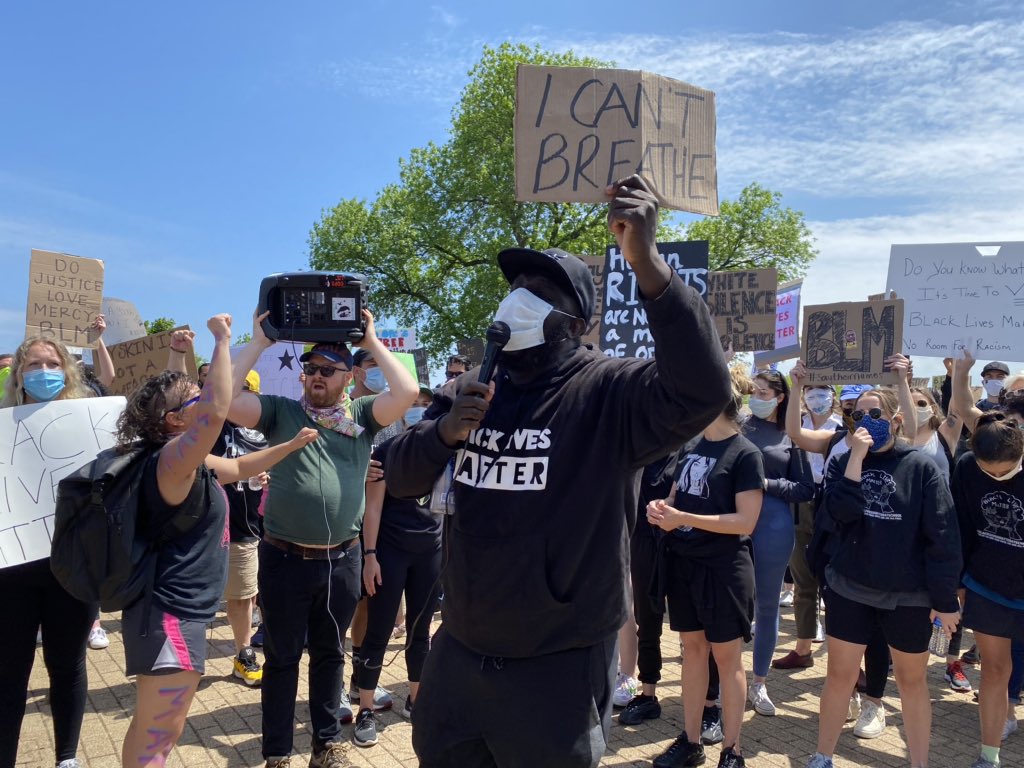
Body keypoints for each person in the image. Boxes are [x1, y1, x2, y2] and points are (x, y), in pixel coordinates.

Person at [385, 175, 732, 768]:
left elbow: (701, 389)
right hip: (461, 657)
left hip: (557, 668)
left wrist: (646, 263)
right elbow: (400, 477)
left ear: (573, 321)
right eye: (516, 284)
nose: (519, 295)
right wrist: (444, 432)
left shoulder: (607, 389)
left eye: (540, 289)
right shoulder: (473, 389)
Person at [115, 315, 319, 767]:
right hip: (169, 612)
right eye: (193, 398)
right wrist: (227, 342)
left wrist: (291, 446)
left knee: (161, 725)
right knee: (159, 728)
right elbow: (217, 406)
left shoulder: (191, 460)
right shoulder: (169, 460)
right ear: (172, 420)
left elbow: (241, 468)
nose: (203, 401)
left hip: (179, 611)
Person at [228, 308, 418, 768]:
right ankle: (276, 752)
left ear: (347, 378)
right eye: (310, 368)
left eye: (326, 370)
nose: (315, 376)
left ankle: (326, 744)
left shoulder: (361, 417)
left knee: (331, 656)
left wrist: (372, 342)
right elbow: (224, 399)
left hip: (342, 560)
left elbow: (407, 392)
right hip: (284, 558)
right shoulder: (281, 411)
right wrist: (257, 343)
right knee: (281, 658)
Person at [805, 386, 961, 768]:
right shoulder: (845, 462)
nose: (866, 424)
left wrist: (944, 601)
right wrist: (856, 458)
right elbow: (838, 514)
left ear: (896, 419)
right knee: (840, 676)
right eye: (858, 416)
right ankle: (824, 754)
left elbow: (942, 537)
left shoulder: (920, 467)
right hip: (850, 588)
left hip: (909, 596)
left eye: (875, 415)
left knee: (912, 682)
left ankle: (919, 762)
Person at [646, 384, 764, 768]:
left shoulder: (746, 454)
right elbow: (678, 498)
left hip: (724, 568)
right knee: (692, 652)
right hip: (685, 563)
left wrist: (684, 519)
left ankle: (733, 750)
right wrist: (662, 509)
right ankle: (691, 740)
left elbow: (746, 521)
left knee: (727, 659)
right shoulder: (691, 448)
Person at [0, 336, 95, 768]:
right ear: (18, 375)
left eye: (52, 363)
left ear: (67, 370)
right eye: (33, 365)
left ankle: (67, 757)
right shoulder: (2, 426)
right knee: (9, 671)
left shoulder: (90, 422)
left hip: (73, 569)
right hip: (13, 569)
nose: (43, 372)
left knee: (68, 665)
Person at [353, 386, 439, 747]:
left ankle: (416, 700)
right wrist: (369, 556)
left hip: (430, 552)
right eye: (413, 405)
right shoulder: (386, 452)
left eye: (425, 405)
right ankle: (366, 709)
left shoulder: (444, 452)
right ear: (402, 412)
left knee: (421, 633)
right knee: (379, 631)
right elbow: (372, 508)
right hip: (389, 552)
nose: (419, 410)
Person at [952, 411, 1024, 768]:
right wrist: (960, 580)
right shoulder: (966, 468)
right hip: (986, 585)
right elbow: (960, 525)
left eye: (1006, 470)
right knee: (995, 670)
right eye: (989, 471)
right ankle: (989, 755)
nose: (997, 477)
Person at [743, 370, 814, 716]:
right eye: (752, 391)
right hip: (731, 525)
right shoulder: (738, 424)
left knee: (767, 606)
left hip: (773, 526)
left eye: (761, 391)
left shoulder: (791, 434)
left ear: (779, 396)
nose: (754, 396)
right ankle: (721, 678)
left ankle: (758, 682)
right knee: (728, 603)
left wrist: (765, 483)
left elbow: (804, 489)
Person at [773, 383, 839, 671]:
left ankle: (844, 656)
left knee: (835, 583)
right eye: (810, 391)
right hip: (800, 503)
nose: (817, 398)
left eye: (823, 391)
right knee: (802, 578)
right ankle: (803, 648)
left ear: (833, 395)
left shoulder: (842, 428)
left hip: (832, 504)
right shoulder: (795, 425)